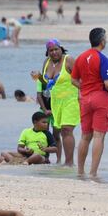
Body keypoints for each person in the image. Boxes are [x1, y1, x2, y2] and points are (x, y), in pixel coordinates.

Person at [71, 27, 108, 177]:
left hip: (85, 98)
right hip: (100, 97)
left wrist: (84, 88)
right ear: (102, 41)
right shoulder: (103, 59)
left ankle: (80, 171)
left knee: (85, 136)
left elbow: (73, 80)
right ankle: (93, 173)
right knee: (98, 136)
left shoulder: (80, 57)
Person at [32, 39, 79, 167]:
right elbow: (45, 83)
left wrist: (82, 94)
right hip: (55, 102)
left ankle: (69, 163)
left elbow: (81, 78)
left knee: (67, 130)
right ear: (47, 52)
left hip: (71, 100)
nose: (54, 52)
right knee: (60, 132)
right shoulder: (46, 62)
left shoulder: (68, 60)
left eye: (56, 49)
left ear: (61, 49)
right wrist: (39, 77)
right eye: (50, 50)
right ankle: (63, 162)